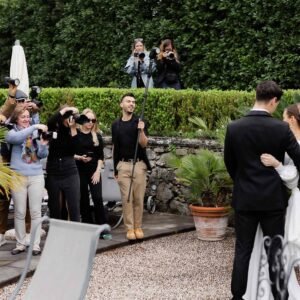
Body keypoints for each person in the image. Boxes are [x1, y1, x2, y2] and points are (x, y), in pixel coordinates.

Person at [224, 80, 300, 300]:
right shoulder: (281, 128)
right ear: (274, 100)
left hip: (245, 198)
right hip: (272, 201)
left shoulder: (234, 127)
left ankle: (237, 297)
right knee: (275, 252)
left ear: (256, 96)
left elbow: (230, 163)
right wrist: (278, 166)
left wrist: (243, 182)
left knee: (242, 251)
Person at [244, 103, 300, 300]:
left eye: (285, 117)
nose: (282, 121)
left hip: (290, 198)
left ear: (292, 119)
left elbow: (294, 178)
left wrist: (277, 165)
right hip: (274, 199)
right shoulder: (284, 137)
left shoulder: (292, 142)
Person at [0, 85, 40, 248]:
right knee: (3, 199)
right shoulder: (7, 118)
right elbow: (7, 121)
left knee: (30, 203)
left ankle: (30, 235)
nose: (23, 103)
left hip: (25, 164)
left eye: (25, 101)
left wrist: (35, 111)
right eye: (20, 101)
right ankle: (2, 233)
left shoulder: (28, 118)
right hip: (5, 160)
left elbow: (35, 129)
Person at [5, 106, 48, 255]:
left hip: (36, 175)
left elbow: (42, 155)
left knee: (36, 212)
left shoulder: (35, 132)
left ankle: (35, 245)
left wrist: (43, 145)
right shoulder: (12, 133)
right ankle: (20, 244)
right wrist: (35, 126)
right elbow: (16, 139)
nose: (26, 119)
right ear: (16, 118)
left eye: (28, 116)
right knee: (20, 212)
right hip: (18, 176)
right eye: (23, 116)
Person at [111, 93, 151, 241]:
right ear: (121, 104)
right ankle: (129, 228)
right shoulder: (116, 125)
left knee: (138, 198)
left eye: (133, 102)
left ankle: (138, 226)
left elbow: (144, 144)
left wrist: (141, 130)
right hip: (122, 165)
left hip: (138, 165)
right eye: (128, 101)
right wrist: (115, 168)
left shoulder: (140, 122)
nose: (131, 104)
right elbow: (115, 146)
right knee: (126, 198)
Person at [74, 108, 111, 239]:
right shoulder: (76, 135)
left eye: (93, 120)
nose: (90, 122)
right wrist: (79, 157)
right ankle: (88, 227)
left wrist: (97, 172)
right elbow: (69, 153)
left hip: (94, 170)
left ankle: (103, 229)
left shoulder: (97, 136)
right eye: (88, 120)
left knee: (97, 198)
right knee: (83, 199)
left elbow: (101, 157)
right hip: (79, 170)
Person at [45, 105, 80, 222]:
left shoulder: (74, 130)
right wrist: (65, 110)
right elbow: (50, 121)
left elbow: (76, 149)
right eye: (68, 116)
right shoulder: (54, 128)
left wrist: (73, 128)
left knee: (73, 205)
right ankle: (56, 233)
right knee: (54, 206)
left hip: (69, 170)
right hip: (54, 170)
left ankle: (75, 233)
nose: (70, 119)